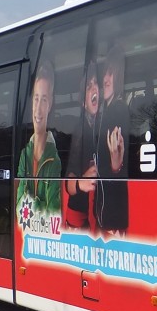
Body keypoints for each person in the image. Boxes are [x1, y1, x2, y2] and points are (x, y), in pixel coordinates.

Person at [16, 60, 62, 214]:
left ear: (50, 104)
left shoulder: (54, 161)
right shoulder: (24, 155)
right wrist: (40, 204)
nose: (38, 109)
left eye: (43, 100)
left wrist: (31, 206)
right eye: (36, 99)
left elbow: (53, 214)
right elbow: (18, 208)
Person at [94, 45, 129, 234]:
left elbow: (116, 163)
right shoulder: (109, 111)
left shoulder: (116, 111)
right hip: (112, 209)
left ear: (119, 77)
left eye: (111, 73)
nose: (105, 79)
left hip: (112, 210)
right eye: (104, 74)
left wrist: (116, 166)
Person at [63, 61, 100, 229]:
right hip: (77, 217)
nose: (94, 89)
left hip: (92, 213)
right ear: (83, 103)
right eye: (88, 86)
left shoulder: (99, 125)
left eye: (96, 84)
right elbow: (68, 183)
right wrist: (81, 182)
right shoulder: (80, 130)